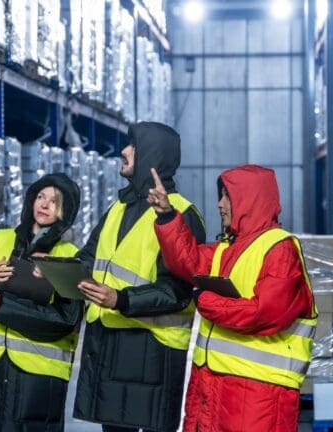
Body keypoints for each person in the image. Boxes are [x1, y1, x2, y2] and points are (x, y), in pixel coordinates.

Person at [147, 164, 318, 432]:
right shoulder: (228, 248)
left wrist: (206, 301)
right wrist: (167, 216)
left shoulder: (280, 249)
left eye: (227, 196)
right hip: (218, 386)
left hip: (257, 395)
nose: (219, 204)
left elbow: (264, 312)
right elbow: (188, 261)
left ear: (248, 200)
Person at [73, 122, 206, 432]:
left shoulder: (181, 214)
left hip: (151, 351)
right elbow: (89, 257)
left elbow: (177, 290)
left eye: (131, 145)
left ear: (151, 155)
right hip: (111, 342)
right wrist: (54, 269)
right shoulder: (118, 208)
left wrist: (120, 298)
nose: (123, 151)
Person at [0, 173, 83, 432]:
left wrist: (5, 310)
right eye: (40, 197)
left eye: (54, 201)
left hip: (36, 377)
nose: (44, 204)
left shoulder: (69, 257)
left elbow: (67, 319)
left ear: (66, 211)